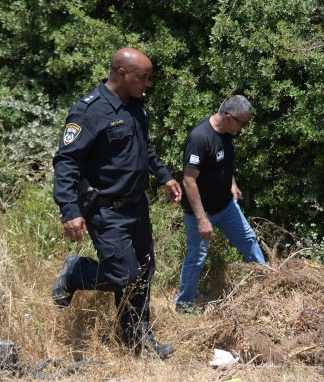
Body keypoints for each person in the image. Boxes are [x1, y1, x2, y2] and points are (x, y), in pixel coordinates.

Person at [51, 47, 182, 358]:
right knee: (125, 276)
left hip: (138, 206)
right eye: (143, 77)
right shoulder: (89, 111)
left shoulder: (135, 105)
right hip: (105, 210)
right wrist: (69, 210)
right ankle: (76, 273)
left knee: (143, 274)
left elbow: (145, 148)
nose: (147, 83)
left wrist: (164, 176)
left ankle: (138, 341)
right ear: (122, 74)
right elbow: (66, 162)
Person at [175, 95, 266, 314]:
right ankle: (184, 306)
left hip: (226, 207)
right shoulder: (200, 138)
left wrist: (231, 184)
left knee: (249, 241)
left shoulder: (227, 133)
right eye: (242, 123)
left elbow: (224, 163)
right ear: (227, 116)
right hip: (202, 212)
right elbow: (188, 180)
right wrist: (201, 219)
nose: (243, 128)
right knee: (196, 257)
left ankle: (268, 283)